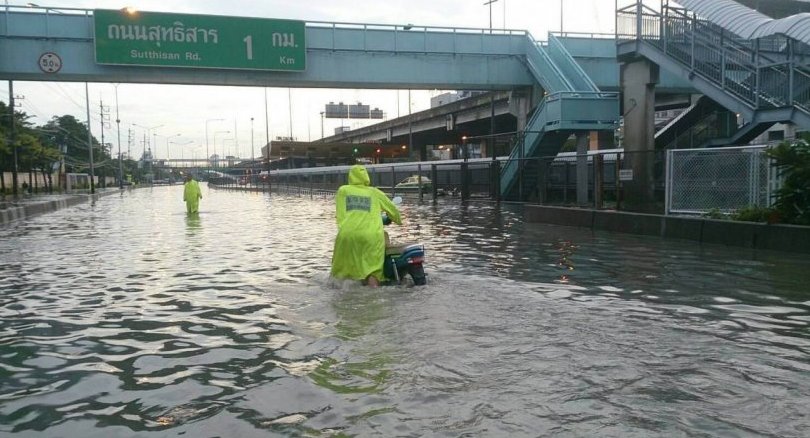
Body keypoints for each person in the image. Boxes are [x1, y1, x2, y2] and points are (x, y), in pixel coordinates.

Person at [331, 165, 401, 287]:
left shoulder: (343, 190)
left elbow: (340, 214)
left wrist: (345, 227)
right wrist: (398, 220)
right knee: (373, 270)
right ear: (366, 176)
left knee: (341, 269)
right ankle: (373, 294)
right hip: (371, 236)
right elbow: (393, 210)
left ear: (351, 176)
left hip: (348, 235)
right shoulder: (375, 192)